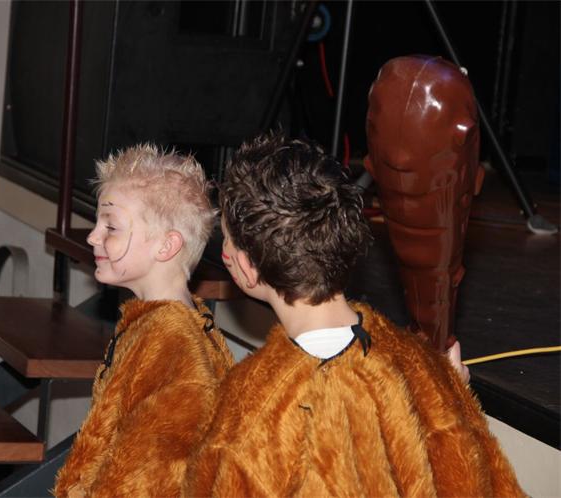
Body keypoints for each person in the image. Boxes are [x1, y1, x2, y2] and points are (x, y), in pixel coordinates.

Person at [185, 132, 524, 497]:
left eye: (227, 239)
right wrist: (455, 396)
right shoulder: (421, 367)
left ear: (247, 269)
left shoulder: (249, 402)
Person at [54, 144, 234, 497]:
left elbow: (143, 480)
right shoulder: (166, 324)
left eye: (111, 226)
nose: (93, 236)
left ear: (166, 246)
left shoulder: (172, 345)